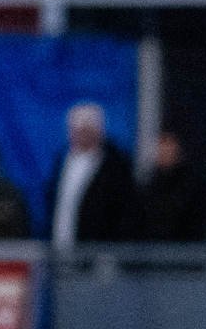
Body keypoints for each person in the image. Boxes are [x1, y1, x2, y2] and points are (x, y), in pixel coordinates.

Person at [47, 103, 140, 246]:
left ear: (98, 131)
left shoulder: (115, 165)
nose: (80, 136)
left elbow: (124, 211)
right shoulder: (63, 160)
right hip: (62, 246)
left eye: (85, 131)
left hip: (98, 250)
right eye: (76, 130)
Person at [141, 131, 206, 242]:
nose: (164, 150)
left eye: (169, 145)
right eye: (161, 144)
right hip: (152, 250)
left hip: (186, 252)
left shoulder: (192, 185)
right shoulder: (148, 183)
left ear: (178, 148)